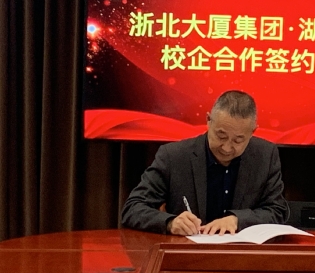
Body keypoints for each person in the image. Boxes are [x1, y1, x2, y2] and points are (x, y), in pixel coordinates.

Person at [122, 90, 289, 235]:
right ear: (208, 120)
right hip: (187, 254)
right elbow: (133, 208)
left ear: (253, 132)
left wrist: (237, 220)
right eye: (221, 136)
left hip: (243, 255)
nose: (227, 147)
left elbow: (277, 211)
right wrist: (170, 222)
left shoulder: (265, 156)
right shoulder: (174, 156)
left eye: (238, 140)